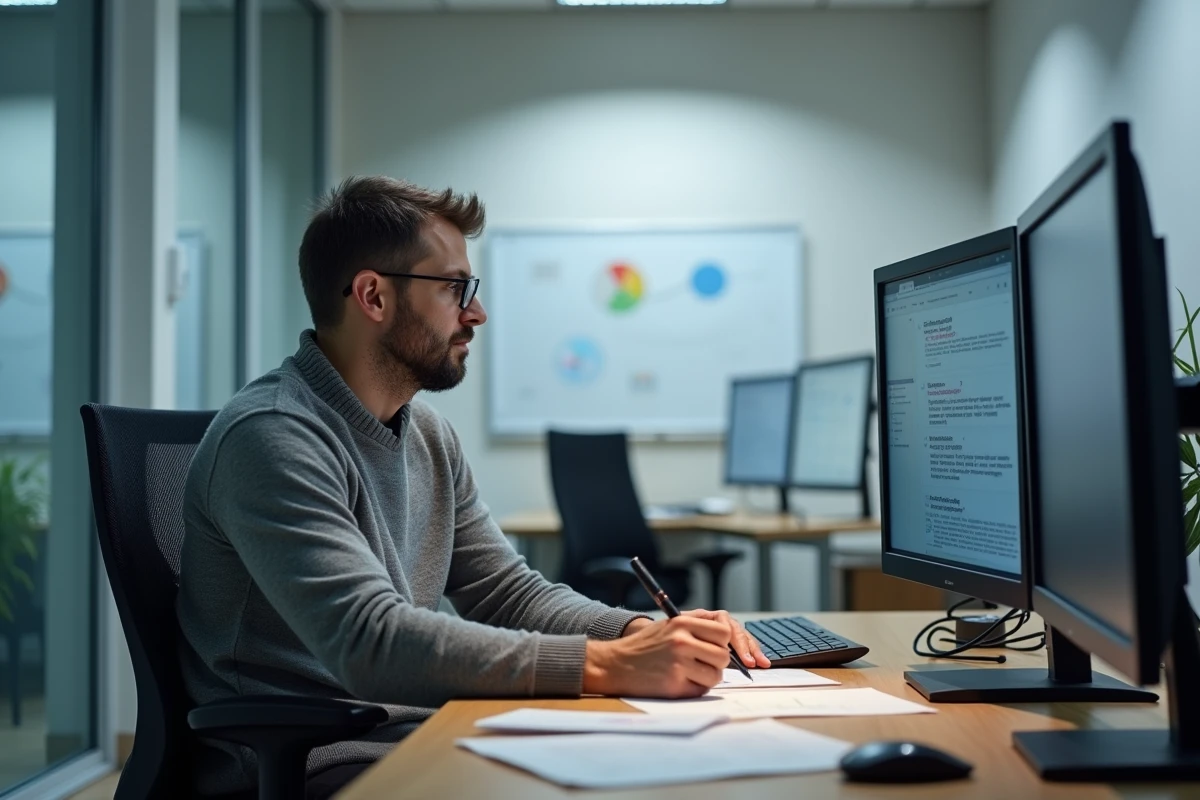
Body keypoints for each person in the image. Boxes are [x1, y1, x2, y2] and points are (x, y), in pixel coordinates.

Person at [176, 176, 770, 798]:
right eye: (455, 287)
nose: (476, 312)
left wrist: (635, 632)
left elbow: (507, 593)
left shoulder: (428, 434)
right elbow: (368, 641)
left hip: (420, 728)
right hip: (314, 759)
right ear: (373, 297)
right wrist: (609, 666)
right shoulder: (273, 436)